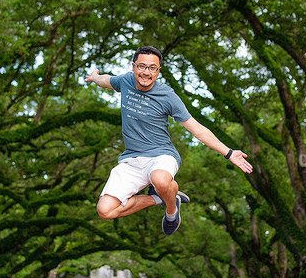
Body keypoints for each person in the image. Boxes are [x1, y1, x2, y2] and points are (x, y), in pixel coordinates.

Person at [85, 46, 253, 235]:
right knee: (105, 210)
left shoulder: (168, 97)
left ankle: (172, 211)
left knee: (160, 179)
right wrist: (95, 77)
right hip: (131, 160)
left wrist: (229, 153)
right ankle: (162, 198)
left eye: (152, 68)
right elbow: (106, 80)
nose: (146, 73)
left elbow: (198, 130)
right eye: (142, 66)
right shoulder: (126, 81)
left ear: (158, 71)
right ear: (133, 67)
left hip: (161, 155)